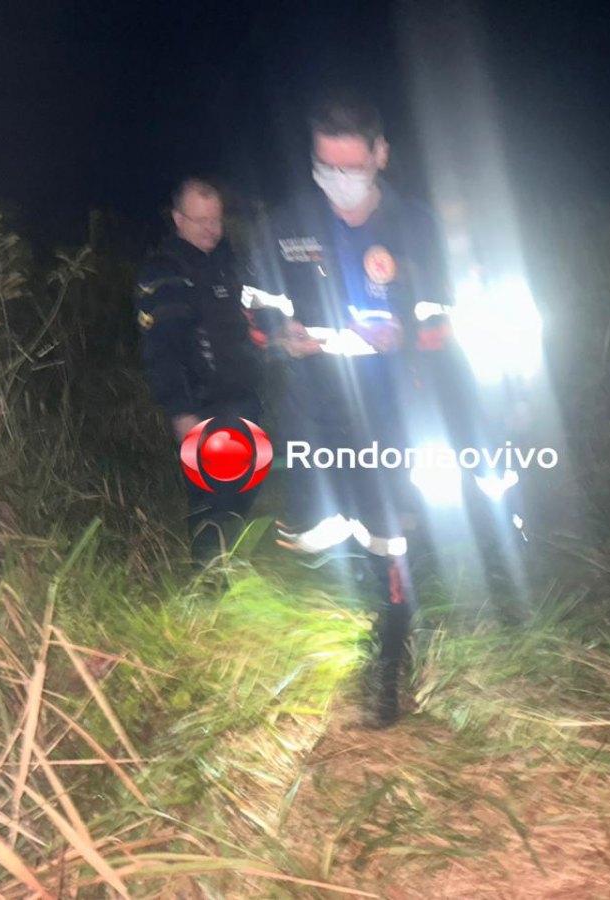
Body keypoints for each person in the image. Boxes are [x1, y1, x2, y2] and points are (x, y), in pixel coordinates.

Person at [247, 92, 455, 727]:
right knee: (323, 535)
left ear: (380, 154)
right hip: (314, 408)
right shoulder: (286, 224)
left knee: (387, 535)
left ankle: (387, 672)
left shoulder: (416, 227)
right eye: (325, 166)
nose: (338, 179)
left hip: (391, 407)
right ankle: (353, 634)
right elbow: (256, 309)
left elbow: (444, 320)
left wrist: (406, 334)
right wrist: (280, 336)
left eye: (351, 166)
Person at [135, 178, 267, 566]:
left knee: (243, 485)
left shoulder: (226, 265)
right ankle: (209, 579)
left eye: (216, 219)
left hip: (242, 398)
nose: (211, 229)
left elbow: (246, 326)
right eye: (201, 220)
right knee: (212, 498)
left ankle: (230, 563)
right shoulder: (164, 273)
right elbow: (160, 350)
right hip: (201, 405)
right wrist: (180, 411)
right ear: (178, 219)